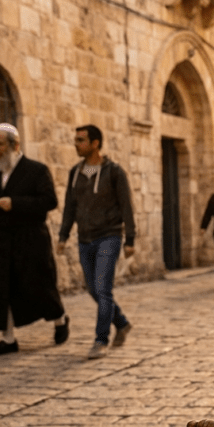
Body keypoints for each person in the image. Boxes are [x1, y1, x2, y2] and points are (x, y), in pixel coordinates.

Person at [0, 123, 70, 357]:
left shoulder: (37, 170)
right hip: (1, 240)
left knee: (41, 286)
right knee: (1, 288)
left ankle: (60, 320)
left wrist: (16, 203)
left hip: (30, 239)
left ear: (15, 145)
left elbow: (49, 201)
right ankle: (8, 339)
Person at [57, 124, 136, 360]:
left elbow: (126, 206)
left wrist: (129, 239)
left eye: (81, 140)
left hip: (109, 236)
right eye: (75, 140)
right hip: (85, 239)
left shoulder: (114, 172)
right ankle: (121, 322)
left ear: (95, 143)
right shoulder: (75, 173)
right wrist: (63, 235)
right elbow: (70, 207)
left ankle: (101, 339)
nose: (76, 144)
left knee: (103, 288)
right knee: (94, 290)